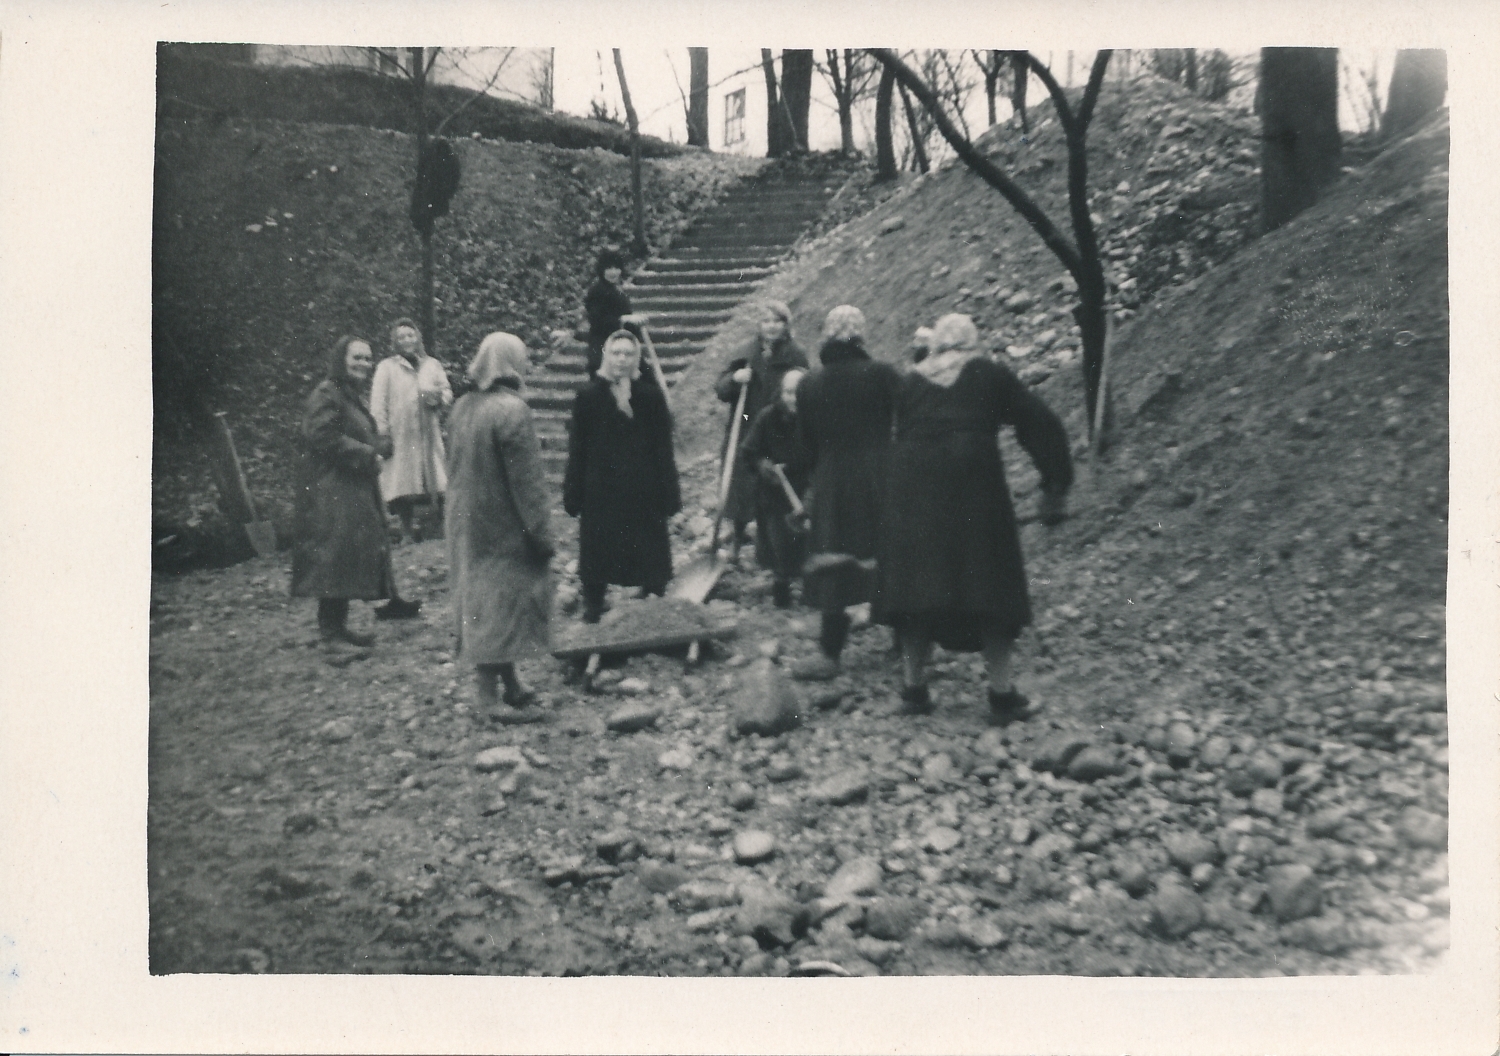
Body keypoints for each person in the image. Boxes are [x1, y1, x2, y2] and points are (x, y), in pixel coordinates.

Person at [876, 313, 1072, 722]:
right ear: (971, 343)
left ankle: (914, 691)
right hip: (973, 489)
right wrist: (1055, 479)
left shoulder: (911, 380)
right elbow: (1038, 420)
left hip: (914, 492)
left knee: (917, 587)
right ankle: (1002, 697)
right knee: (990, 584)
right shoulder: (987, 372)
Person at [446, 332, 555, 719]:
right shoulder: (513, 410)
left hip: (465, 522)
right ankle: (487, 699)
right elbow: (527, 484)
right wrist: (541, 533)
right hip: (503, 525)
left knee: (482, 599)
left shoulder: (461, 407)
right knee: (500, 603)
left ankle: (510, 683)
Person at [791, 305, 900, 680]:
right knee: (887, 552)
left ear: (826, 336)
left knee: (833, 559)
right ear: (861, 335)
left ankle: (831, 652)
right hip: (880, 475)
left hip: (832, 480)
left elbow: (806, 446)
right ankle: (903, 642)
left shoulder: (809, 384)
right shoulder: (884, 375)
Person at [563, 329, 681, 623]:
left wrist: (670, 493)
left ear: (636, 358)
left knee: (649, 546)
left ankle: (654, 601)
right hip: (601, 488)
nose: (622, 359)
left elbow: (663, 449)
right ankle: (594, 605)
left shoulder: (651, 397)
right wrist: (573, 492)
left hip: (643, 487)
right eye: (616, 353)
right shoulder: (587, 396)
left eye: (628, 353)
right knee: (598, 549)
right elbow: (577, 449)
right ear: (606, 356)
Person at [290, 335, 394, 647]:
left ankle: (338, 626)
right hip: (330, 490)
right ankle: (330, 633)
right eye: (357, 358)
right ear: (340, 360)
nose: (364, 363)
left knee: (345, 555)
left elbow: (352, 431)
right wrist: (365, 453)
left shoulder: (347, 395)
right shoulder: (327, 393)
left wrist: (377, 446)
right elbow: (321, 435)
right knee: (334, 556)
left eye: (367, 358)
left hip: (349, 487)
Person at [714, 301, 809, 562]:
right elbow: (721, 389)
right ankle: (736, 540)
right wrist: (734, 379)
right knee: (741, 485)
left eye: (777, 321)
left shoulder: (795, 355)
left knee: (777, 486)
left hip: (779, 427)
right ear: (759, 325)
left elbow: (804, 390)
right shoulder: (746, 353)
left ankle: (777, 550)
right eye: (766, 321)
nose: (771, 327)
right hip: (747, 420)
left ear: (786, 325)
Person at [371, 317, 452, 544]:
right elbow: (378, 403)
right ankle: (406, 529)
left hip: (427, 431)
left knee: (437, 478)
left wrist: (438, 399)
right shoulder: (387, 368)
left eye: (410, 335)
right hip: (401, 433)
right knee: (401, 481)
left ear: (417, 337)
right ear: (395, 342)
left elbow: (447, 391)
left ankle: (439, 528)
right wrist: (383, 432)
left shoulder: (431, 365)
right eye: (401, 337)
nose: (407, 340)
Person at [739, 368, 809, 608]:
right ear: (781, 393)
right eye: (788, 392)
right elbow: (749, 451)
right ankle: (781, 592)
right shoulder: (767, 417)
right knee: (779, 543)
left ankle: (811, 589)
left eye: (799, 392)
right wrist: (763, 466)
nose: (793, 398)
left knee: (809, 540)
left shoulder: (818, 417)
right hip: (774, 490)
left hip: (807, 487)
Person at [583, 248, 639, 379]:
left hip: (620, 346)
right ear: (601, 270)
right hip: (602, 347)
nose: (613, 273)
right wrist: (623, 320)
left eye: (616, 268)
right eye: (608, 268)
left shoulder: (616, 290)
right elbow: (597, 321)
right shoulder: (597, 291)